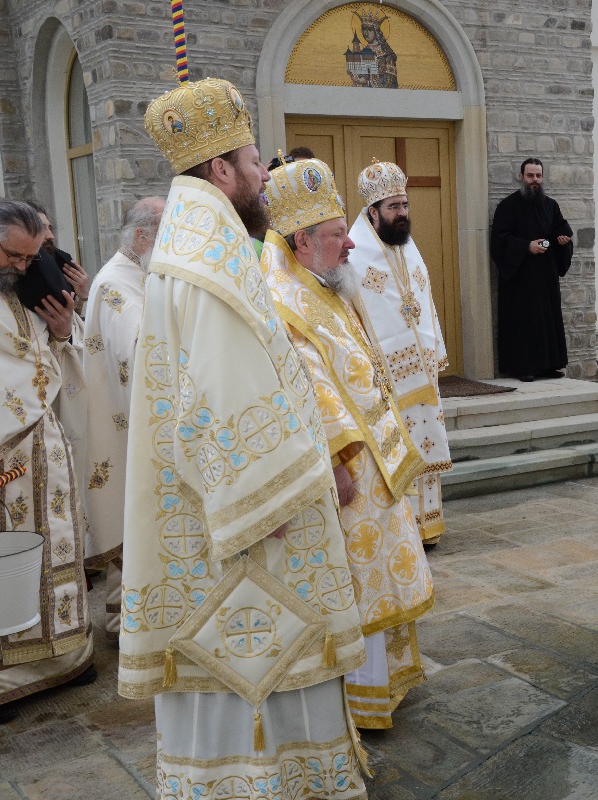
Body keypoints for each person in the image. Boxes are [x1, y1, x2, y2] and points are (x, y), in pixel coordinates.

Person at [121, 77, 368, 798]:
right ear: (221, 171)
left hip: (220, 519)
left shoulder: (205, 245)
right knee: (254, 665)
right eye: (256, 162)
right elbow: (229, 401)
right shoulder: (212, 262)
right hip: (250, 535)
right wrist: (279, 497)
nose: (267, 176)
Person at [262, 157, 434, 730]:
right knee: (363, 583)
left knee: (383, 575)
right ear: (303, 240)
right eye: (338, 236)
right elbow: (306, 383)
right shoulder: (283, 298)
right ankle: (361, 700)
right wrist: (338, 458)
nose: (349, 246)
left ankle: (388, 682)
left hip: (378, 460)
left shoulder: (324, 284)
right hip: (347, 470)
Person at [0, 200, 96, 725]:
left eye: (31, 257)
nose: (24, 267)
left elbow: (47, 357)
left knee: (56, 550)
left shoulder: (20, 285)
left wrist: (60, 332)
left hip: (43, 446)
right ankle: (1, 677)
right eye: (14, 256)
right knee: (5, 566)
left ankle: (67, 656)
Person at [346, 160, 452, 545]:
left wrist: (434, 348)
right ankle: (403, 528)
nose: (402, 213)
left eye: (404, 205)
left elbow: (424, 302)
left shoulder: (409, 249)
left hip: (421, 374)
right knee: (398, 447)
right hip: (386, 379)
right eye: (393, 207)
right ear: (372, 212)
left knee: (425, 444)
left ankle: (429, 525)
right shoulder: (356, 257)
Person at [81, 196, 165, 644]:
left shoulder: (138, 274)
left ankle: (128, 619)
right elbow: (139, 354)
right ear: (141, 237)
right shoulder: (117, 283)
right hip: (127, 427)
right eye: (164, 234)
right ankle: (124, 624)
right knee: (135, 522)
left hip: (133, 424)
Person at [490, 157, 574, 381]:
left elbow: (562, 230)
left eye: (538, 175)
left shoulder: (551, 205)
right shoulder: (508, 206)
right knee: (524, 321)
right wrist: (526, 246)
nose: (534, 180)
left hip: (545, 275)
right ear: (521, 176)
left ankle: (549, 365)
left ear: (543, 177)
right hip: (520, 277)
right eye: (530, 175)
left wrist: (563, 241)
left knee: (547, 320)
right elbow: (499, 240)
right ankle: (524, 368)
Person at [29, 202, 91, 317]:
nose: (51, 236)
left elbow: (73, 319)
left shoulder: (62, 261)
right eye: (42, 229)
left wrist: (83, 295)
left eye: (49, 228)